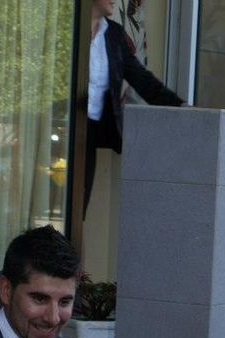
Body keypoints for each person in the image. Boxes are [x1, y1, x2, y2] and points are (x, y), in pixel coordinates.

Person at [86, 0, 185, 216]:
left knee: (78, 211)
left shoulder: (114, 34)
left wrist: (182, 107)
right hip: (61, 131)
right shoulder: (69, 25)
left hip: (89, 138)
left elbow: (143, 81)